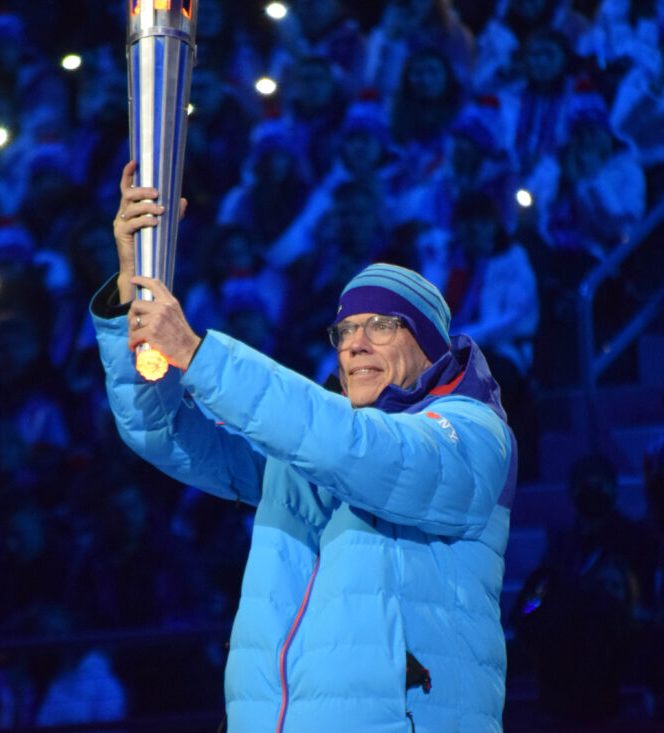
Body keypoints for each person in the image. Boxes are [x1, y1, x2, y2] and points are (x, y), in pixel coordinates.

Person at [91, 162, 517, 732]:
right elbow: (162, 433)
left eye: (380, 326)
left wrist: (198, 353)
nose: (355, 344)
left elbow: (365, 453)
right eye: (344, 331)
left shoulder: (473, 432)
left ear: (429, 345)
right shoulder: (308, 445)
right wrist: (133, 286)